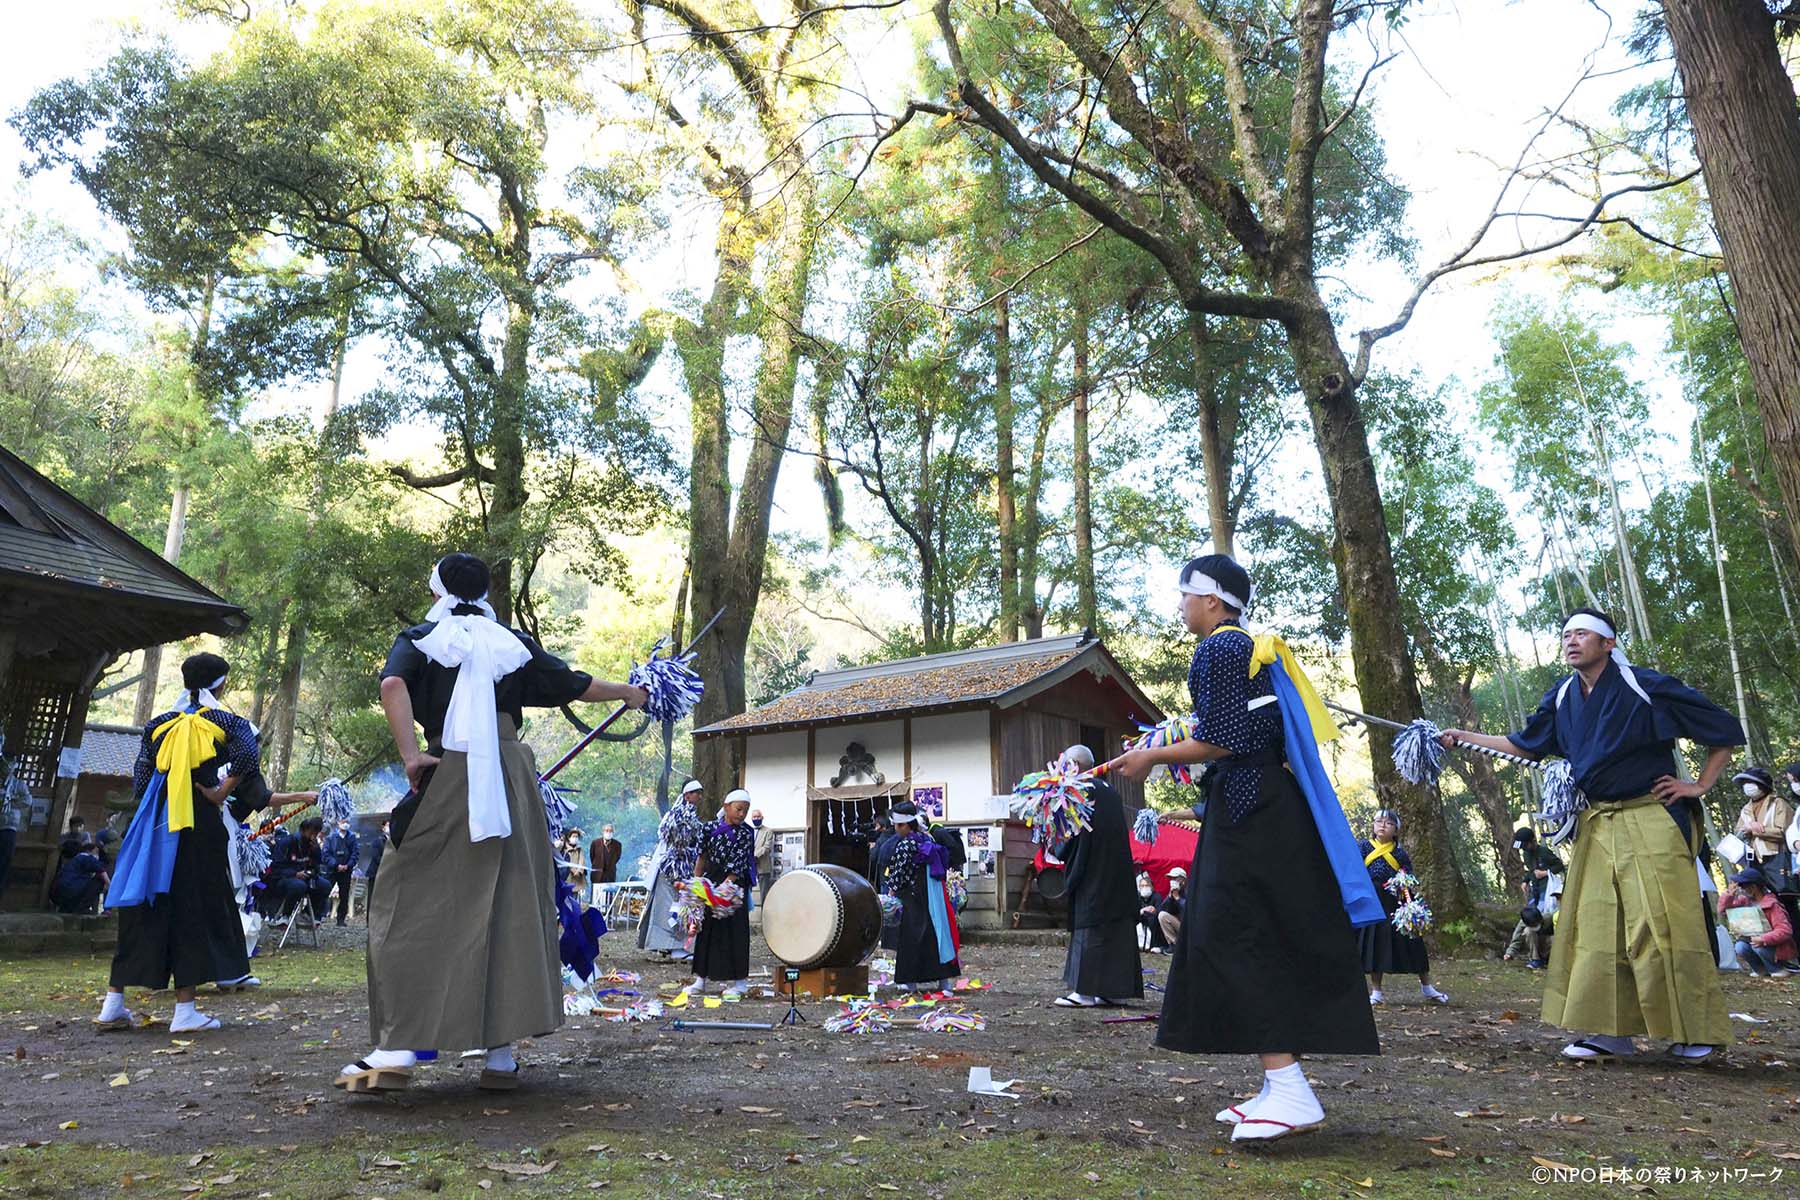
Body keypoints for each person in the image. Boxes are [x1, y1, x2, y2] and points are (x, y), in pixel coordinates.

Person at [339, 552, 647, 1094]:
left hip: (447, 772)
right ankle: (500, 1057)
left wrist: (411, 756)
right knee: (507, 903)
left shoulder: (423, 637)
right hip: (509, 778)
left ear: (437, 590)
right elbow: (572, 683)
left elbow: (393, 687)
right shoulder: (512, 645)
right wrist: (627, 690)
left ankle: (399, 1047)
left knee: (409, 899)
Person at [1109, 554, 1380, 1143]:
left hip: (1249, 809)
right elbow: (1236, 730)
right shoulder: (1245, 650)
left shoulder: (1218, 650)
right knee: (1238, 930)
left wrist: (1152, 757)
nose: (1179, 606)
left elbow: (1222, 739)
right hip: (1260, 804)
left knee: (1235, 932)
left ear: (1211, 600)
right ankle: (1274, 1081)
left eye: (1185, 595)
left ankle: (1288, 1087)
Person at [1441, 606, 1743, 1063]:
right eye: (1566, 634)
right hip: (1596, 823)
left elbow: (1723, 731)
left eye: (1583, 633)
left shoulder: (1647, 687)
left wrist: (1698, 784)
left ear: (1609, 642)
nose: (1571, 640)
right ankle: (1609, 1032)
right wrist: (1462, 736)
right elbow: (1526, 746)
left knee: (1662, 925)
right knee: (1598, 928)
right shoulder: (1562, 697)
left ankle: (1693, 1031)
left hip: (1652, 816)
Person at [97, 652, 264, 1034]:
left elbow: (141, 777)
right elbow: (247, 754)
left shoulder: (158, 724)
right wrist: (221, 790)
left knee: (142, 901)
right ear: (220, 683)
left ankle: (113, 1002)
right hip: (196, 821)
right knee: (190, 906)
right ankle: (185, 1011)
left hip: (155, 822)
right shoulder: (225, 720)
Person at [1054, 744, 1145, 1007]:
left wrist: (1057, 847)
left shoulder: (1078, 792)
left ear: (1075, 766)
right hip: (1116, 872)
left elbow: (1072, 835)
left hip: (1093, 871)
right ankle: (1111, 990)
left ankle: (1083, 992)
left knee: (1090, 926)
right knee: (1115, 928)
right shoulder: (1110, 793)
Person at [1357, 810, 1449, 1006]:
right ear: (1373, 826)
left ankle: (1426, 986)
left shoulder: (1399, 852)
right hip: (1373, 901)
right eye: (1379, 822)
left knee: (1412, 941)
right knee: (1375, 942)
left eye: (1388, 823)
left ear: (1396, 830)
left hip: (1397, 901)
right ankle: (1376, 991)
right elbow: (1355, 870)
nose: (1382, 825)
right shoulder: (1364, 847)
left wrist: (1402, 882)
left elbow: (1408, 873)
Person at [685, 789, 757, 1001]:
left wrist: (724, 890)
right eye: (738, 809)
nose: (742, 814)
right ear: (726, 807)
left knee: (736, 931)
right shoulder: (708, 828)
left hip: (734, 885)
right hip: (711, 880)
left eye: (745, 810)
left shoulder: (746, 832)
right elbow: (702, 856)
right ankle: (700, 979)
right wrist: (696, 884)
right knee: (706, 929)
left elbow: (740, 863)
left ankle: (740, 982)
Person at [882, 801, 960, 993]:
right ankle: (944, 982)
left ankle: (910, 982)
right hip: (932, 897)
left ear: (907, 825)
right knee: (936, 935)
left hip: (912, 897)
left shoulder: (905, 844)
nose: (896, 829)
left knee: (911, 939)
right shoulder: (927, 839)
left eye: (899, 825)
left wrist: (891, 890)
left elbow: (900, 873)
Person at [640, 779, 705, 960]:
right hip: (672, 870)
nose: (699, 796)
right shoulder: (679, 815)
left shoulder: (689, 815)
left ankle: (672, 947)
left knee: (677, 907)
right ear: (687, 795)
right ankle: (674, 947)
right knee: (674, 907)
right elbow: (677, 840)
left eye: (700, 793)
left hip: (680, 869)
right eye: (696, 792)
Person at [1718, 866, 1796, 977]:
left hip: (1775, 948)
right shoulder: (1744, 901)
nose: (1741, 888)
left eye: (1743, 886)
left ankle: (1777, 969)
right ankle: (1761, 970)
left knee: (1757, 946)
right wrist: (1729, 895)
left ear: (1753, 887)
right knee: (1740, 946)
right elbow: (1723, 910)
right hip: (1755, 942)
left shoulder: (1772, 904)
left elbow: (1785, 930)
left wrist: (1763, 939)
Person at [269, 818, 332, 920]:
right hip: (285, 879)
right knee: (299, 886)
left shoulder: (312, 844)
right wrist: (295, 873)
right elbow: (276, 867)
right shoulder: (288, 842)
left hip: (305, 877)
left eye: (315, 834)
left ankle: (307, 913)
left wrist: (316, 851)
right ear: (303, 830)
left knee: (325, 885)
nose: (313, 836)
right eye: (311, 833)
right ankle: (285, 915)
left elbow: (317, 865)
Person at [1732, 767, 1791, 876]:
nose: (1747, 786)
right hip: (1754, 862)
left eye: (1750, 782)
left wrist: (1754, 830)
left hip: (1779, 859)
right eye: (1745, 783)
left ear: (1762, 784)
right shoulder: (1746, 809)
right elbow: (1738, 835)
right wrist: (1747, 828)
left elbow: (1784, 833)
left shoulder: (1778, 803)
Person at [52, 838, 108, 914]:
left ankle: (68, 908)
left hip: (60, 895)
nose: (96, 855)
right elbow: (101, 870)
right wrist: (109, 885)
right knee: (99, 881)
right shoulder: (85, 857)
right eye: (96, 852)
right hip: (72, 891)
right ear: (88, 851)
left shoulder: (71, 863)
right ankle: (82, 908)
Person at [321, 817, 360, 926]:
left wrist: (348, 865)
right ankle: (320, 915)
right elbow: (326, 854)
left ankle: (341, 919)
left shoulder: (352, 838)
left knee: (344, 895)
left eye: (347, 821)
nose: (345, 824)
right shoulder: (330, 838)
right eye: (343, 821)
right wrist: (335, 865)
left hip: (346, 871)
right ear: (338, 823)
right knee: (325, 891)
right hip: (332, 870)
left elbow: (355, 854)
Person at [1135, 872, 1167, 953]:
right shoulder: (1137, 897)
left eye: (1147, 885)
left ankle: (1154, 945)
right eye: (1142, 886)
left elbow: (1160, 910)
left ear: (1152, 887)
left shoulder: (1157, 896)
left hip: (1153, 924)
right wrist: (1142, 911)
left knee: (1153, 918)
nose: (1144, 888)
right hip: (1140, 921)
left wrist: (1154, 910)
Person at [1157, 867, 1187, 947]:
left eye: (1175, 878)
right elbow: (1162, 909)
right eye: (1171, 879)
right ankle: (1174, 945)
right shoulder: (1174, 892)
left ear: (1183, 880)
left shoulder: (1190, 890)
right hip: (1179, 925)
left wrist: (1178, 898)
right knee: (1162, 915)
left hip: (1190, 926)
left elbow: (1189, 911)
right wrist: (1170, 898)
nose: (1172, 881)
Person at [751, 808, 775, 904]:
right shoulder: (749, 831)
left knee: (764, 894)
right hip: (750, 867)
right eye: (754, 817)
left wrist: (755, 856)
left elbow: (766, 847)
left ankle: (763, 914)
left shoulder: (768, 831)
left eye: (758, 816)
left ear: (762, 817)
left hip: (763, 867)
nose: (756, 818)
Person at [364, 819, 388, 906]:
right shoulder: (377, 841)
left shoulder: (391, 841)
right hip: (375, 872)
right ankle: (370, 918)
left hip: (386, 873)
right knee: (372, 897)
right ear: (383, 827)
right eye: (387, 825)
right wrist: (387, 863)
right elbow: (376, 857)